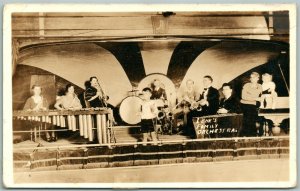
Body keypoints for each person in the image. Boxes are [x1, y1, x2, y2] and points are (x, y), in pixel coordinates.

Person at [240, 72, 263, 137]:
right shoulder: (246, 85)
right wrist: (255, 98)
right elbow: (243, 96)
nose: (252, 79)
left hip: (254, 105)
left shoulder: (260, 86)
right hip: (244, 104)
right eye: (251, 77)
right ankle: (247, 135)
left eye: (254, 77)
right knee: (248, 117)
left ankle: (252, 135)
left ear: (258, 78)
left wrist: (250, 96)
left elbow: (261, 97)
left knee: (252, 118)